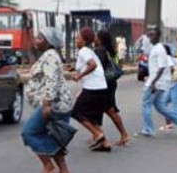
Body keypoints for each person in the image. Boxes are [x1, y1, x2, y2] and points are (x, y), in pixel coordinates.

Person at [23, 26, 74, 173]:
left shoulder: (50, 56)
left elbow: (52, 81)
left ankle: (48, 165)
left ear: (49, 42)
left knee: (29, 132)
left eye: (40, 38)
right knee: (53, 136)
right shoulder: (49, 55)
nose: (36, 41)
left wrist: (46, 105)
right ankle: (64, 170)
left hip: (54, 105)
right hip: (58, 104)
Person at [141, 27, 177, 138]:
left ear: (158, 36)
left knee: (146, 105)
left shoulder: (159, 49)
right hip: (161, 83)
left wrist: (153, 82)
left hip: (156, 83)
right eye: (149, 35)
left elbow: (162, 68)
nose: (149, 37)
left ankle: (149, 129)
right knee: (160, 106)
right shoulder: (156, 49)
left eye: (152, 35)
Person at [71, 27, 112, 152]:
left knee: (76, 112)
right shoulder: (89, 51)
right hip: (101, 87)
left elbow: (92, 65)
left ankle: (98, 135)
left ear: (83, 41)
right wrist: (74, 69)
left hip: (93, 88)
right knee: (92, 116)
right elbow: (90, 65)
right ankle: (105, 143)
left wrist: (79, 75)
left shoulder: (83, 50)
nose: (76, 41)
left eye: (78, 38)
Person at [95, 29, 131, 147]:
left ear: (100, 39)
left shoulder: (101, 51)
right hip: (110, 83)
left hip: (105, 83)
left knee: (110, 110)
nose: (94, 38)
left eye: (96, 36)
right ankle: (97, 134)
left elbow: (98, 67)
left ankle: (124, 135)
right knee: (101, 108)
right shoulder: (111, 51)